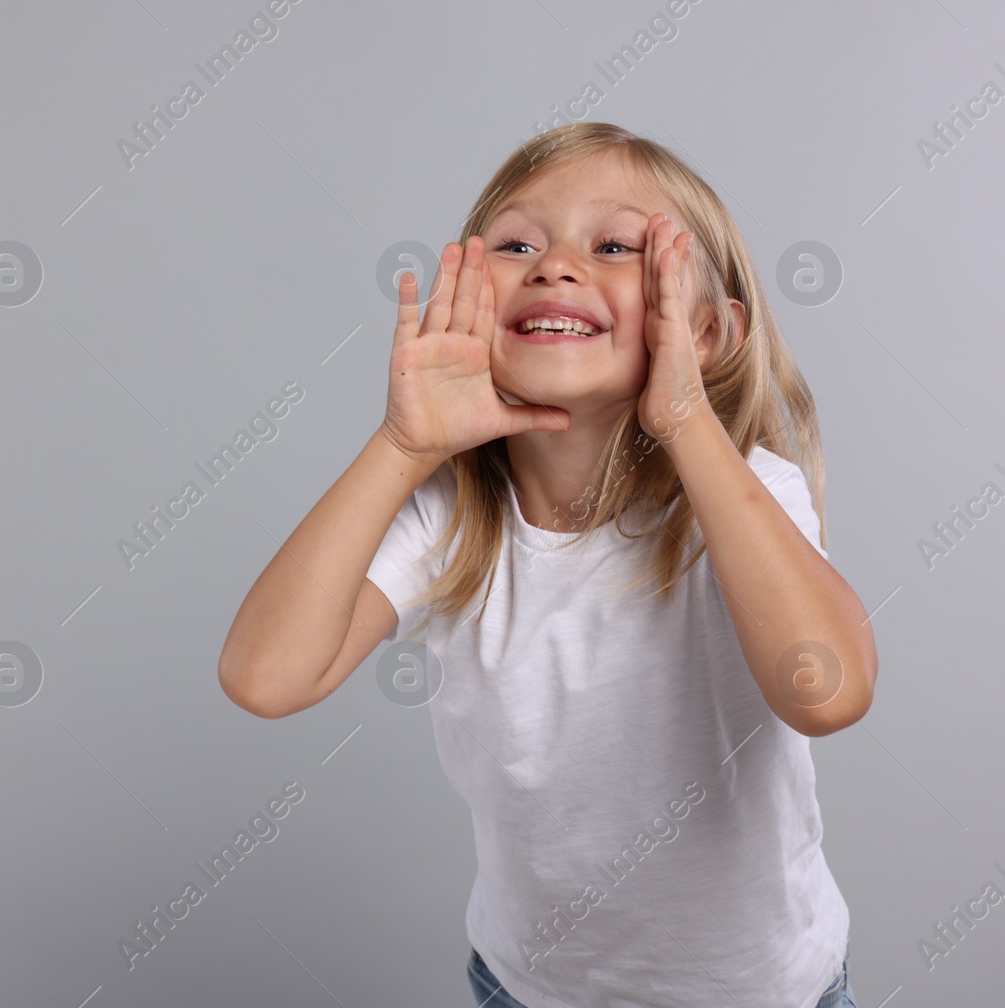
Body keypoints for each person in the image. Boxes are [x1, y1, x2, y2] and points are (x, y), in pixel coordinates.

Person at [217, 122, 875, 1008]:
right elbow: (265, 675)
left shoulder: (743, 490)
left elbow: (828, 691)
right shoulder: (453, 516)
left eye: (612, 246)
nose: (555, 265)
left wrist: (686, 420)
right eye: (517, 242)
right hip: (528, 990)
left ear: (709, 330)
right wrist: (401, 445)